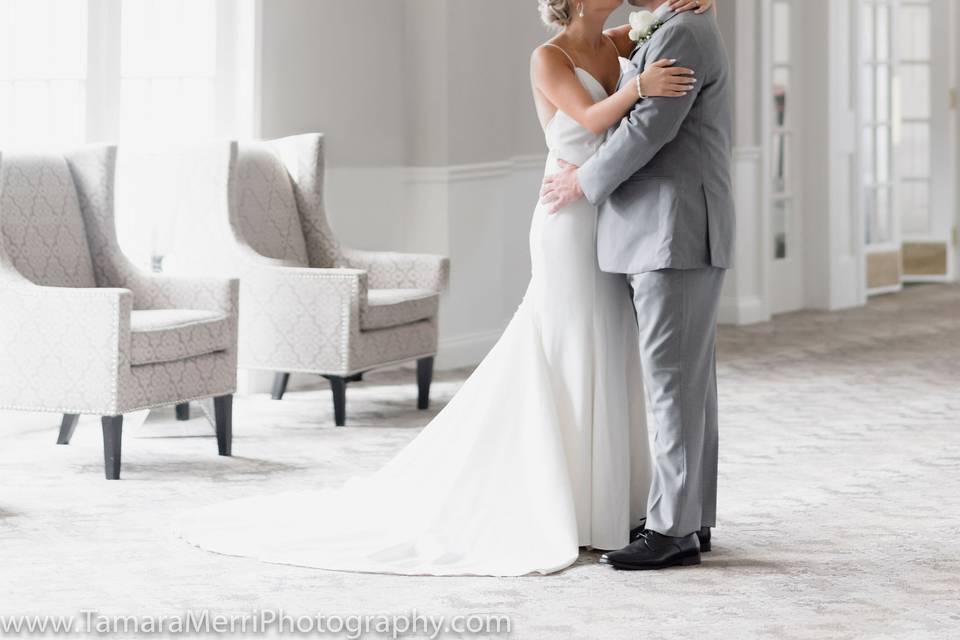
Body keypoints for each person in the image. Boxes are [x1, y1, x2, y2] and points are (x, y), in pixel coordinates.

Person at [178, 0, 715, 577]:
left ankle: (614, 500)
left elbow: (660, 28)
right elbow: (590, 119)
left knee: (610, 348)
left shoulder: (616, 43)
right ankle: (569, 500)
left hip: (609, 217)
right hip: (568, 211)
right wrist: (641, 90)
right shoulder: (548, 57)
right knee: (570, 344)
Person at [540, 0, 733, 570]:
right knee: (687, 380)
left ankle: (672, 529)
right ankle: (688, 516)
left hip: (671, 227)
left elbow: (651, 126)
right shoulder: (674, 25)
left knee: (673, 380)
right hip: (667, 226)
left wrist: (585, 182)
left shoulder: (685, 32)